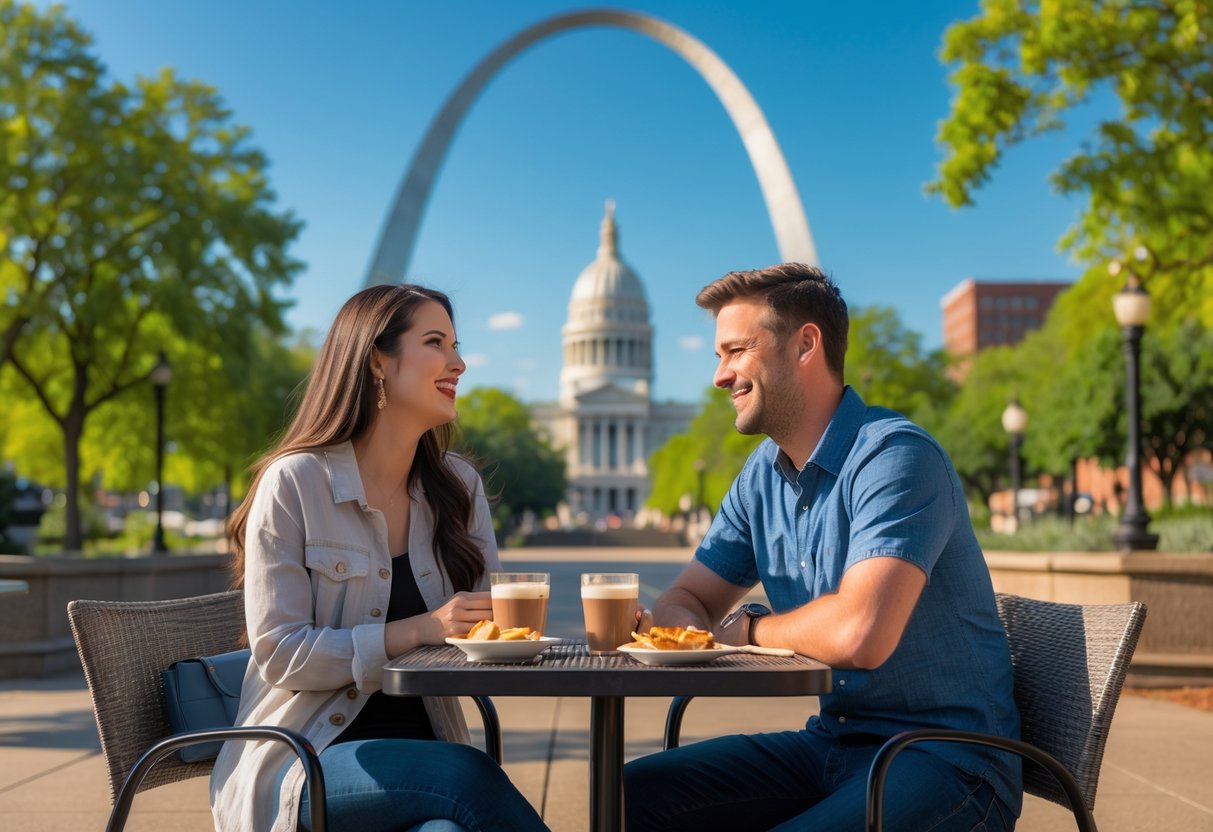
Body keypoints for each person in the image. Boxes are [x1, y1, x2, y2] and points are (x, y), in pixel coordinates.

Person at [625, 264, 1022, 831]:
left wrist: (749, 630)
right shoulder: (761, 476)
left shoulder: (896, 458)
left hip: (948, 761)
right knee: (631, 796)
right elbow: (684, 597)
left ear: (806, 343)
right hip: (835, 744)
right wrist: (692, 629)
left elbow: (860, 634)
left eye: (736, 350)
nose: (719, 375)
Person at [211, 284, 549, 832]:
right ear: (377, 361)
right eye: (436, 342)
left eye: (457, 345)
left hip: (425, 758)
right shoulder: (295, 483)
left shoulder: (459, 487)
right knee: (467, 776)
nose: (459, 363)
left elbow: (491, 633)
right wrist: (418, 630)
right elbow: (281, 655)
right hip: (306, 761)